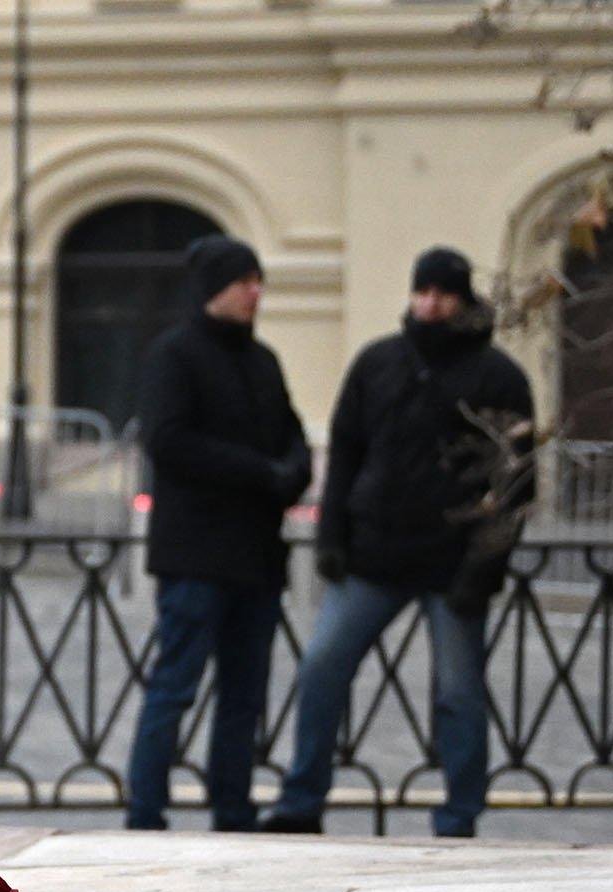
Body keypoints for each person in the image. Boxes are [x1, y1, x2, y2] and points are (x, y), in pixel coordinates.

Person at [261, 247, 535, 838]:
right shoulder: (378, 363)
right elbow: (347, 451)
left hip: (455, 561)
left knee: (459, 694)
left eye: (443, 292)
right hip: (373, 553)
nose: (430, 302)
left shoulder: (499, 376)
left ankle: (459, 815)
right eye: (423, 290)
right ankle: (301, 800)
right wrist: (331, 533)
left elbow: (514, 483)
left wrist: (481, 571)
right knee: (322, 669)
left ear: (462, 299)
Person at [124, 234, 313, 831]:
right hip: (195, 556)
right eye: (245, 282)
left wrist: (294, 471)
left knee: (244, 696)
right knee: (174, 687)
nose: (256, 292)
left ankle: (233, 807)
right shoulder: (174, 355)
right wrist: (263, 472)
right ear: (215, 290)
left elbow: (291, 431)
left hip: (255, 557)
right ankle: (145, 810)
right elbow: (170, 441)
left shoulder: (262, 360)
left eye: (259, 281)